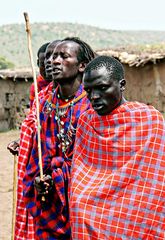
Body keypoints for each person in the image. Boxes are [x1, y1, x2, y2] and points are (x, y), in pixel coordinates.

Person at [70, 55, 165, 239]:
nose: (94, 97)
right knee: (79, 204)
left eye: (102, 88)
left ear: (121, 85)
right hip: (94, 203)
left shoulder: (149, 119)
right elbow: (81, 174)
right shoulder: (86, 122)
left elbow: (156, 178)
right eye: (88, 90)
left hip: (140, 204)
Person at [23, 37, 96, 239]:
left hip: (85, 201)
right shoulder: (47, 105)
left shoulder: (93, 105)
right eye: (53, 56)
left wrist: (66, 176)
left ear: (82, 66)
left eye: (63, 56)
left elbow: (99, 163)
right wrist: (40, 179)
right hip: (52, 203)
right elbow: (39, 156)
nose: (54, 61)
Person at [13, 40, 60, 240]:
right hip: (40, 158)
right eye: (44, 61)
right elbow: (36, 121)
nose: (48, 64)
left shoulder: (74, 92)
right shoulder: (39, 90)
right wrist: (23, 141)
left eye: (53, 59)